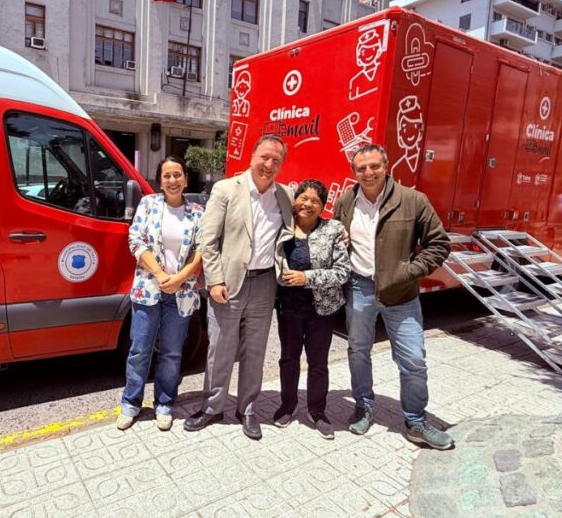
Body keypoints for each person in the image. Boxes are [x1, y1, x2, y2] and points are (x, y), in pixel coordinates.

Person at [333, 144, 453, 449]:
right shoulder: (346, 201)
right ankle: (364, 406)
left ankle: (415, 421)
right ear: (354, 172)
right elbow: (337, 240)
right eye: (361, 168)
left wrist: (408, 272)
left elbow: (439, 243)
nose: (368, 173)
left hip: (401, 294)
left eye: (374, 166)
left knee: (412, 359)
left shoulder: (412, 200)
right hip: (359, 289)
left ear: (386, 166)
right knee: (358, 351)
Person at [184, 135, 293, 440]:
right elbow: (208, 239)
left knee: (255, 351)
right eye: (264, 157)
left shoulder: (284, 195)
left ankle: (246, 408)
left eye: (276, 160)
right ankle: (212, 406)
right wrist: (215, 280)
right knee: (220, 348)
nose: (269, 165)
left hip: (264, 283)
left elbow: (298, 229)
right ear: (252, 156)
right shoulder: (226, 189)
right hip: (228, 283)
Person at [118, 156, 204, 432]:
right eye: (167, 176)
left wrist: (178, 278)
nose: (173, 180)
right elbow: (135, 240)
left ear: (186, 179)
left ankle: (165, 403)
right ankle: (131, 403)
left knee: (171, 353)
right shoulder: (148, 204)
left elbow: (201, 251)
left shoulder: (198, 213)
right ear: (160, 180)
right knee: (139, 349)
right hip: (148, 289)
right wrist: (160, 274)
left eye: (177, 175)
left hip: (181, 293)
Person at [273, 179, 351, 439]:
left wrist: (307, 278)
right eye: (303, 198)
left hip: (322, 310)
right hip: (288, 308)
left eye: (315, 201)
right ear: (295, 200)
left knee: (318, 363)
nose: (308, 204)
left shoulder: (333, 230)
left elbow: (342, 272)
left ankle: (317, 411)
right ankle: (288, 404)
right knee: (288, 359)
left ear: (322, 207)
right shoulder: (281, 227)